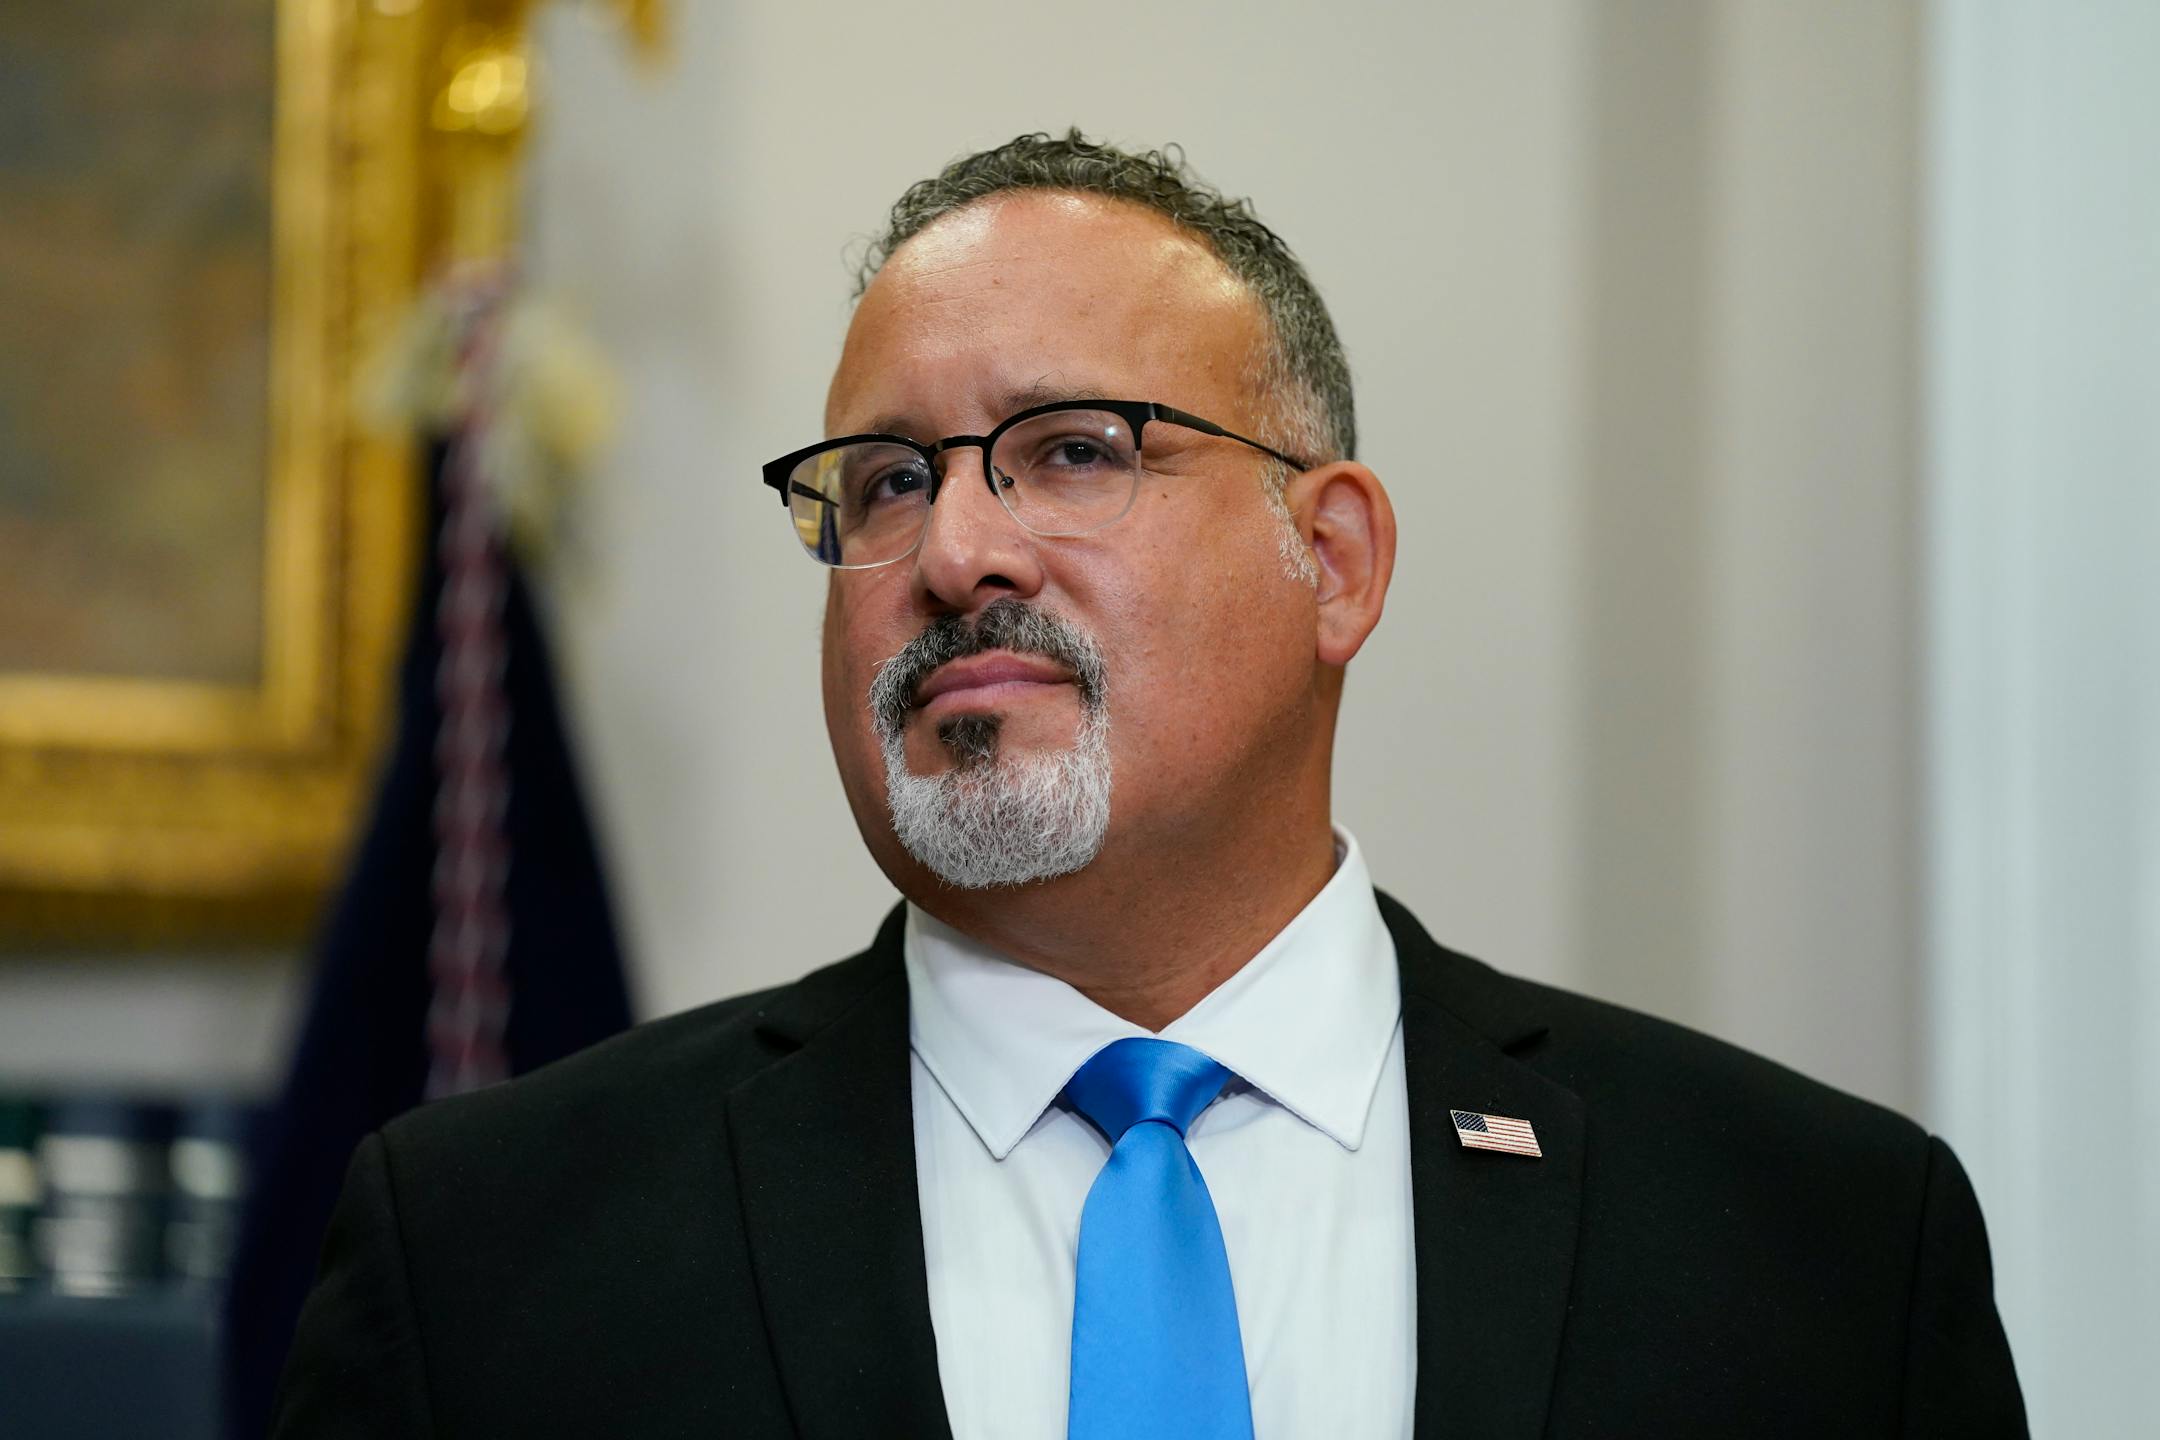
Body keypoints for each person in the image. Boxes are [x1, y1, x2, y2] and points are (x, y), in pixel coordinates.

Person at [272, 131, 2026, 1439]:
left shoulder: (1822, 1250)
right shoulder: (492, 1258)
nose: (956, 548)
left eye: (1071, 454)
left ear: (1331, 560)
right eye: (882, 484)